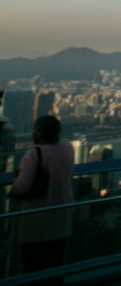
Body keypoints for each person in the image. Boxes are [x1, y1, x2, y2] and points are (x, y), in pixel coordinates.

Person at [10, 115, 75, 279]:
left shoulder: (34, 154)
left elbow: (21, 187)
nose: (32, 133)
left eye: (34, 129)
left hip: (37, 220)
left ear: (40, 132)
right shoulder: (68, 148)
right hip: (62, 215)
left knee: (34, 269)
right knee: (55, 268)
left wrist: (14, 179)